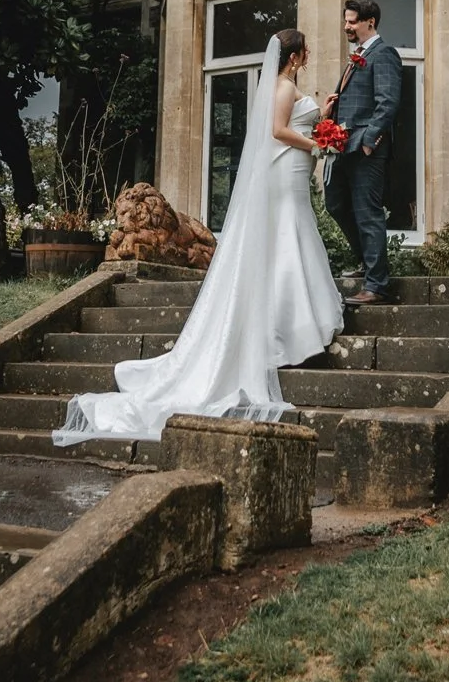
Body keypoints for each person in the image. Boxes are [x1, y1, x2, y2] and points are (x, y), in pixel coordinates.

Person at [52, 28, 343, 444]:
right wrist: (316, 144)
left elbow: (293, 119)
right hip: (287, 169)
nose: (308, 55)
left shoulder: (285, 85)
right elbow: (279, 131)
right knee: (288, 237)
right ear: (295, 56)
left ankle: (294, 322)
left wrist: (321, 113)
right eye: (305, 51)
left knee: (292, 239)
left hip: (291, 172)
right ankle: (287, 329)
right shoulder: (280, 87)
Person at [323, 0, 403, 304]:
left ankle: (376, 285)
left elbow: (388, 103)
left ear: (370, 22)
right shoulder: (356, 56)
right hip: (343, 148)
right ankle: (368, 264)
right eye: (345, 21)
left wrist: (370, 142)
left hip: (365, 150)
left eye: (352, 21)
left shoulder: (384, 54)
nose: (347, 26)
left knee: (368, 213)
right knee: (335, 204)